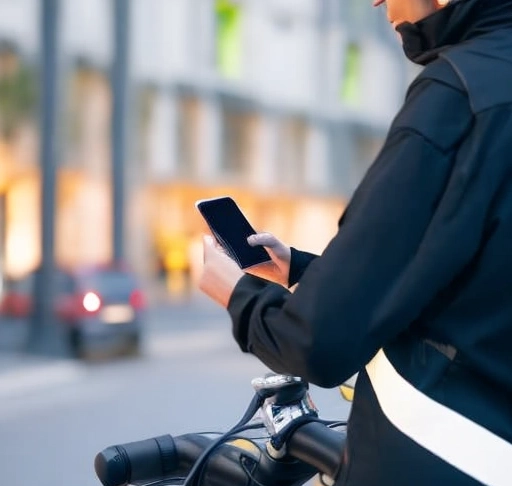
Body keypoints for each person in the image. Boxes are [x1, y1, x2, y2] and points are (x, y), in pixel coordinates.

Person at [198, 0, 512, 484]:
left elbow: (320, 341)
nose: (376, 1)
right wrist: (299, 268)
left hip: (440, 456)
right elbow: (471, 274)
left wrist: (237, 294)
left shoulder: (457, 95)